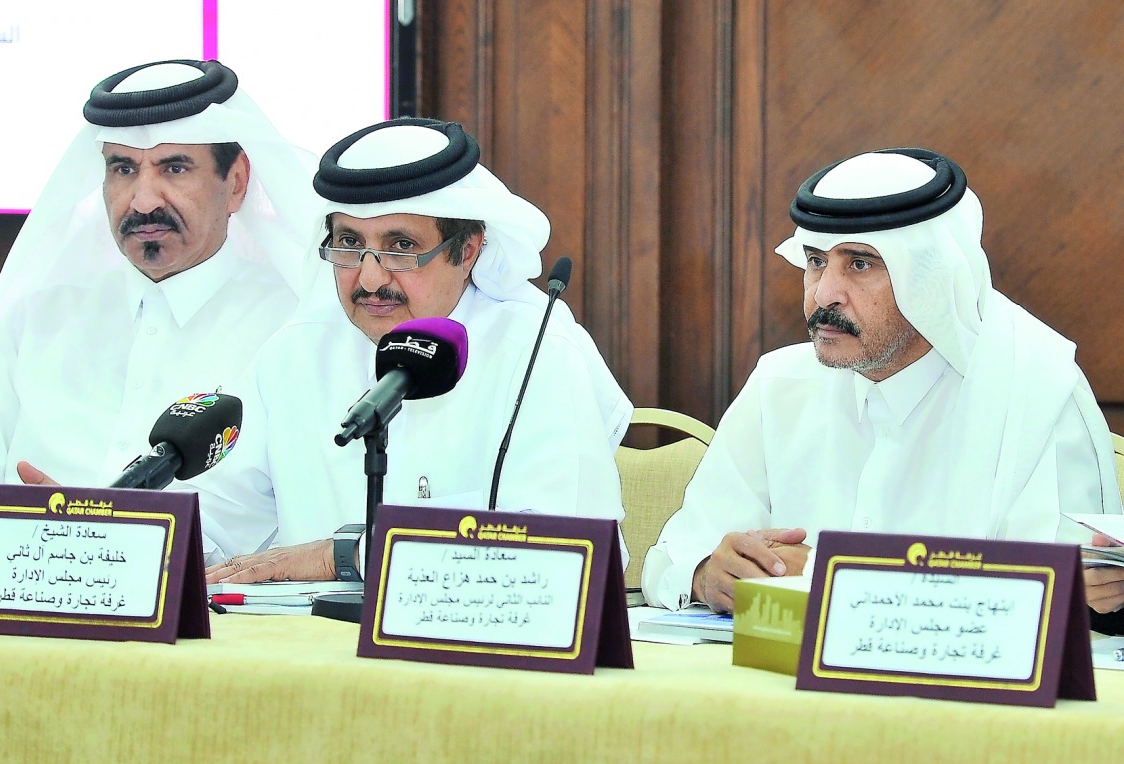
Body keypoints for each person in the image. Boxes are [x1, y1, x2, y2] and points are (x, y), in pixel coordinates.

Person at [641, 147, 1122, 613]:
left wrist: (823, 577)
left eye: (860, 264)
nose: (824, 294)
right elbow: (670, 560)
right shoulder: (779, 383)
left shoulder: (1037, 395)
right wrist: (707, 574)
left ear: (931, 280)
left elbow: (1073, 604)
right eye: (816, 261)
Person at [189, 117, 632, 580]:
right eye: (349, 244)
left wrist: (340, 557)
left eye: (401, 247)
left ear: (467, 251)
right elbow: (220, 516)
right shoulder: (295, 355)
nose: (370, 278)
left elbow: (567, 554)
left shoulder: (536, 355)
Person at [0, 59, 321, 536]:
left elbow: (304, 524)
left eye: (175, 168)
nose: (143, 200)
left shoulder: (293, 332)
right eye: (124, 168)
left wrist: (99, 536)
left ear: (235, 182)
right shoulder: (38, 320)